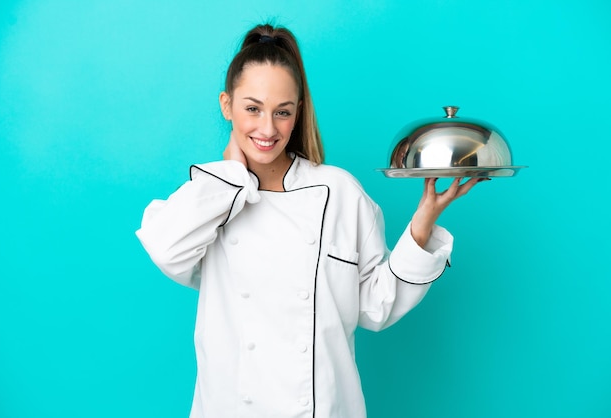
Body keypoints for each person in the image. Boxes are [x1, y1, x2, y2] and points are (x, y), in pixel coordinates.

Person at [136, 23, 484, 418]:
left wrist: (423, 223)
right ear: (226, 105)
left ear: (297, 113)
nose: (267, 129)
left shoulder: (338, 192)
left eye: (282, 113)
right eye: (252, 108)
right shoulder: (211, 197)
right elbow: (166, 250)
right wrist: (234, 175)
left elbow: (374, 306)